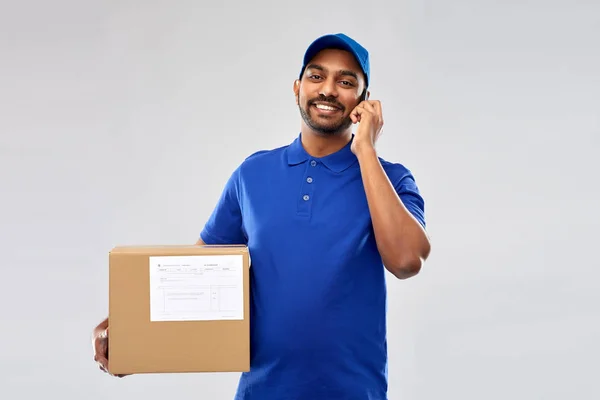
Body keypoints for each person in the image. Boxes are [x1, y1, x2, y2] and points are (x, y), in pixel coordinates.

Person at [92, 33, 431, 399]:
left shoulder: (390, 178)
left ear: (365, 102)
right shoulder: (252, 175)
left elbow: (406, 260)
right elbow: (195, 277)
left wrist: (365, 149)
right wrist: (129, 333)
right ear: (298, 87)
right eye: (317, 76)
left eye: (346, 82)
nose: (329, 90)